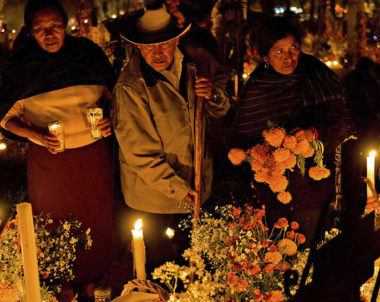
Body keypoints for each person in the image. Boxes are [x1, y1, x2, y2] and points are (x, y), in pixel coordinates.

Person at [0, 0, 116, 300]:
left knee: (96, 216)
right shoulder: (20, 66)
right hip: (49, 163)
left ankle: (91, 280)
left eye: (54, 26)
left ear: (66, 26)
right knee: (54, 219)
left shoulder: (88, 55)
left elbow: (115, 96)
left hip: (92, 156)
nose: (49, 34)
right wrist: (35, 136)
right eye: (40, 29)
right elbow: (6, 118)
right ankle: (63, 282)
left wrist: (110, 121)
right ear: (30, 32)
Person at [112, 2, 229, 270]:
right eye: (149, 46)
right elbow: (140, 154)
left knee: (197, 274)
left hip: (197, 187)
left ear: (176, 39)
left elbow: (220, 111)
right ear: (138, 47)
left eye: (164, 43)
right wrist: (180, 190)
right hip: (157, 200)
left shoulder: (192, 66)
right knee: (162, 274)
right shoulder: (131, 87)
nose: (158, 52)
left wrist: (213, 95)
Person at [233, 16, 351, 247]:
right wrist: (263, 155)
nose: (289, 58)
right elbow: (243, 137)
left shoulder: (316, 74)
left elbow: (343, 122)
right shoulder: (257, 87)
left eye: (293, 48)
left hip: (316, 190)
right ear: (265, 56)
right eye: (279, 51)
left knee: (317, 252)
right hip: (273, 194)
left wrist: (311, 134)